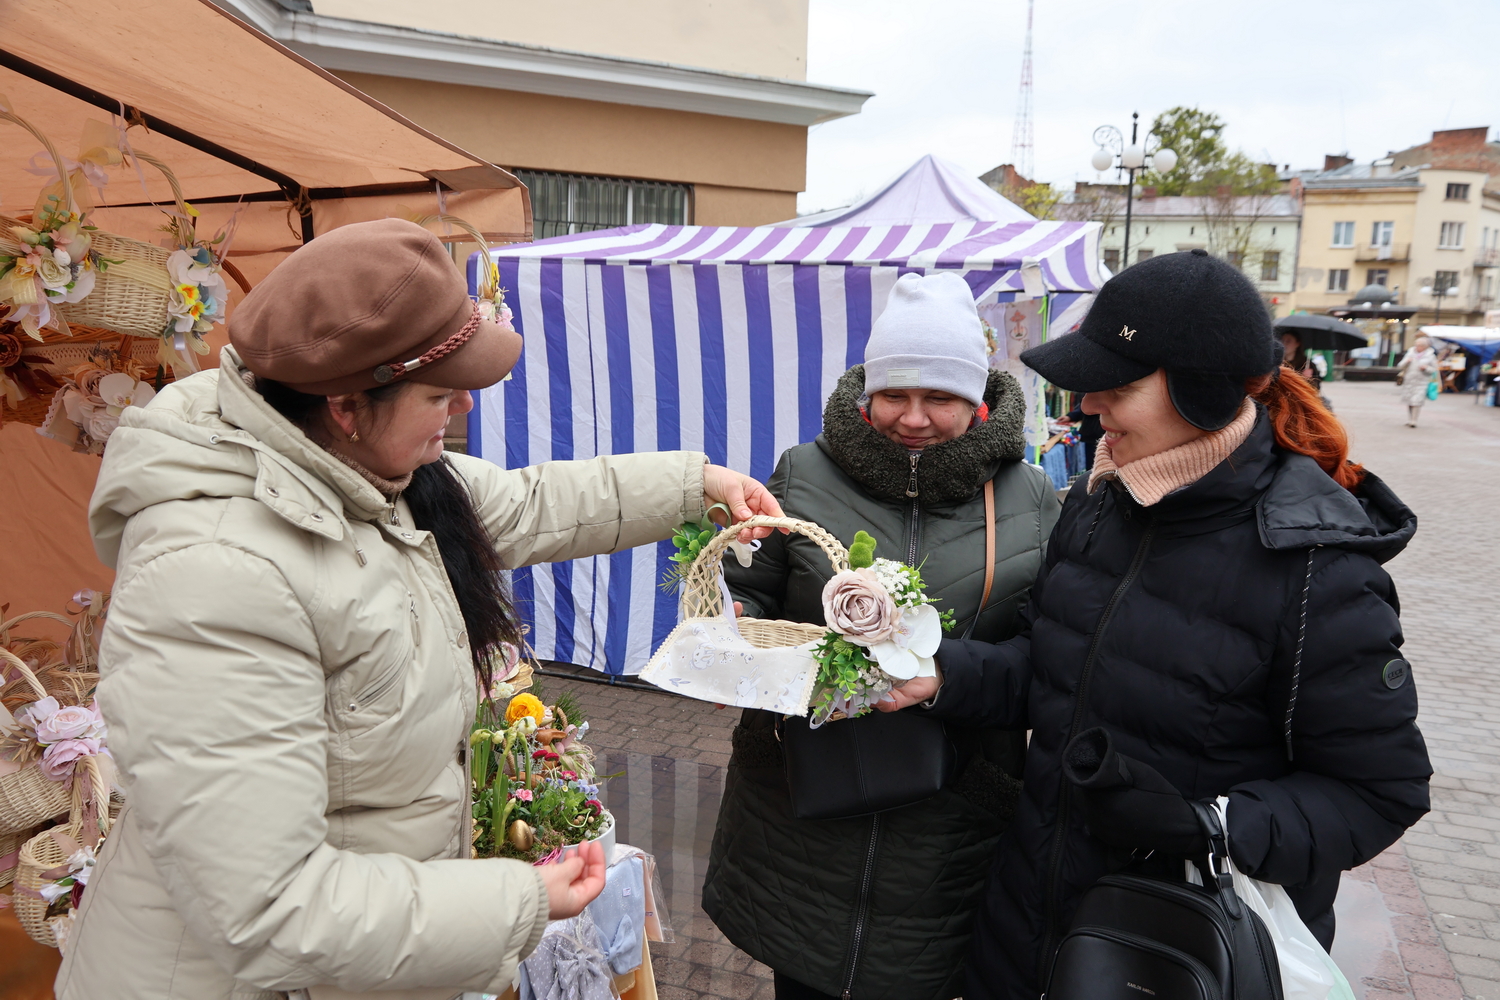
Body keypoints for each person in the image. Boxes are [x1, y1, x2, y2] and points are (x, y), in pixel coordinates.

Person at [57, 220, 783, 1000]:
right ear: (345, 403)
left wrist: (695, 483)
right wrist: (521, 903)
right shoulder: (218, 576)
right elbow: (269, 911)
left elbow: (532, 502)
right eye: (439, 393)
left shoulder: (369, 475)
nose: (463, 405)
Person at [880, 249, 1432, 1000]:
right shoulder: (1098, 503)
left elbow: (1380, 791)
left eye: (1117, 387)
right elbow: (1046, 665)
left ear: (1202, 390)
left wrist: (1215, 824)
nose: (1087, 410)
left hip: (1181, 947)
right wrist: (940, 673)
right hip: (1029, 924)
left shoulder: (1314, 567)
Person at [702, 272, 1061, 1000]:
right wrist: (728, 619)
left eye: (941, 397)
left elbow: (1050, 661)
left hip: (948, 825)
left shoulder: (1031, 500)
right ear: (867, 391)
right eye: (896, 393)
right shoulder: (802, 473)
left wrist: (948, 675)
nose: (915, 417)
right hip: (799, 811)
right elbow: (748, 581)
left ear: (979, 399)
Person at [1396, 335, 1439, 426]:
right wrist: (1407, 361)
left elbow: (1434, 370)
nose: (1417, 347)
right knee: (1410, 401)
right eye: (1416, 345)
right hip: (1409, 380)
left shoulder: (1430, 356)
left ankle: (1414, 420)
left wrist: (1426, 368)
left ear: (1424, 347)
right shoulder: (1410, 353)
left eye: (1419, 345)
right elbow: (1400, 366)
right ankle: (1410, 419)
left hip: (1422, 381)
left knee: (1417, 400)